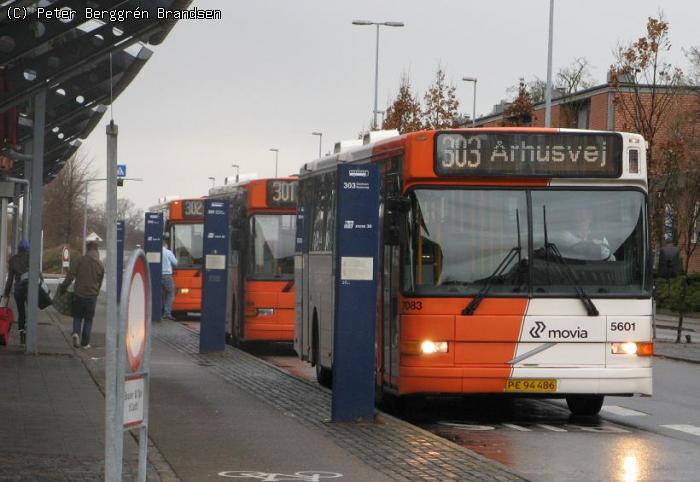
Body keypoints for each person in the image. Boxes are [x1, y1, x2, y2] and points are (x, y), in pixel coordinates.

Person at [60, 241, 104, 349]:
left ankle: (76, 333)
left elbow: (70, 276)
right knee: (88, 320)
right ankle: (85, 343)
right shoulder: (100, 264)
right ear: (96, 250)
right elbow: (100, 281)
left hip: (79, 294)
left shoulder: (80, 260)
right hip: (91, 296)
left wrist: (63, 287)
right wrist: (96, 292)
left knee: (78, 316)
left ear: (87, 249)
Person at [3, 239, 30, 345]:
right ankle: (28, 332)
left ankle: (22, 335)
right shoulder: (30, 258)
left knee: (21, 312)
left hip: (18, 289)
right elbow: (38, 274)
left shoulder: (13, 260)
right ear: (28, 249)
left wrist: (6, 293)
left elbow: (10, 279)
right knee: (30, 312)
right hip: (29, 288)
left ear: (18, 249)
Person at [161, 238, 178, 320]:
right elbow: (175, 262)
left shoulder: (157, 251)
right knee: (170, 293)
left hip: (157, 275)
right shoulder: (168, 252)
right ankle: (167, 313)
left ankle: (159, 311)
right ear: (165, 245)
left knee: (160, 294)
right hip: (167, 275)